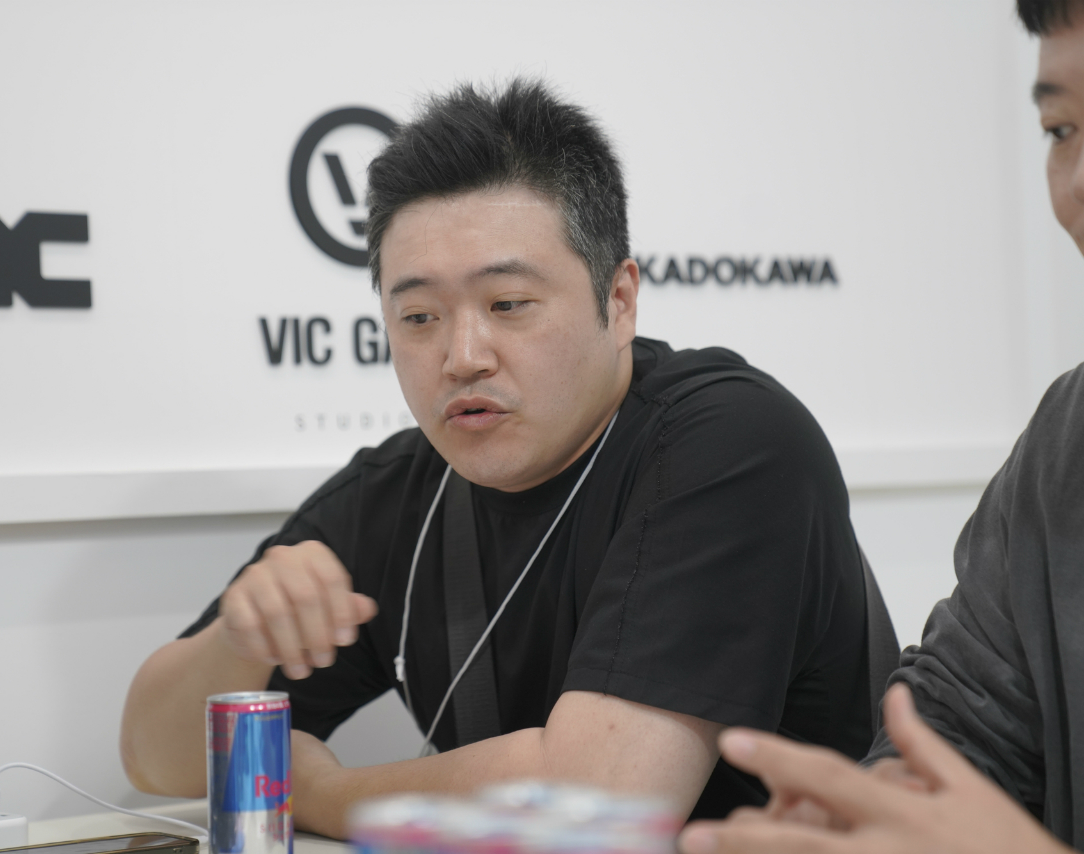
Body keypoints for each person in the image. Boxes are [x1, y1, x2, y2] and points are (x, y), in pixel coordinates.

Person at [120, 79, 873, 838]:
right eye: (419, 317)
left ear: (618, 301)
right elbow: (154, 759)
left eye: (507, 304)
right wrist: (238, 642)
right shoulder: (399, 492)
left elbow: (602, 803)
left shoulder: (731, 443)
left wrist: (317, 792)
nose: (462, 356)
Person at [678, 1, 1084, 850]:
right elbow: (959, 723)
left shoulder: (736, 441)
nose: (1076, 184)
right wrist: (870, 810)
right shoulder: (1064, 443)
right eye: (1062, 130)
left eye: (509, 302)